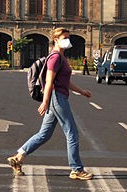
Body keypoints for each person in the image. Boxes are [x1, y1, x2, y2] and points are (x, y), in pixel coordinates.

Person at [7, 28, 94, 180]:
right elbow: (49, 82)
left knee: (44, 134)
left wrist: (82, 91)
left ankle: (18, 157)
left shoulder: (61, 57)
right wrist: (45, 101)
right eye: (64, 37)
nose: (67, 40)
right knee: (72, 133)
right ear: (56, 40)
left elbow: (65, 82)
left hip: (57, 96)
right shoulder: (55, 58)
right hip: (57, 98)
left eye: (68, 37)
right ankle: (76, 169)